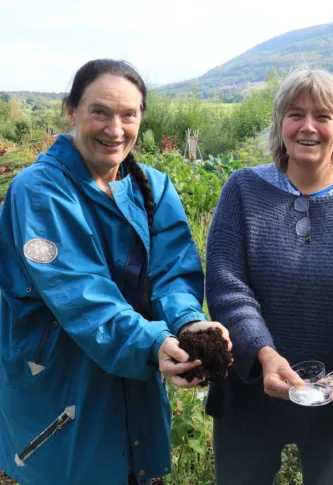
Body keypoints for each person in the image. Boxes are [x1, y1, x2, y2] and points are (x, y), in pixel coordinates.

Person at [0, 59, 231, 485]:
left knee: (132, 469)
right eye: (100, 112)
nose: (115, 128)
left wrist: (189, 325)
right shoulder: (38, 191)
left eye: (128, 114)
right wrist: (154, 343)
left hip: (134, 379)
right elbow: (81, 295)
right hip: (63, 384)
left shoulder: (153, 186)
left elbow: (173, 273)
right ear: (71, 111)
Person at [205, 68, 333, 485]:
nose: (308, 126)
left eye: (323, 116)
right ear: (280, 125)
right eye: (295, 114)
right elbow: (228, 287)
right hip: (252, 386)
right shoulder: (242, 190)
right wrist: (262, 353)